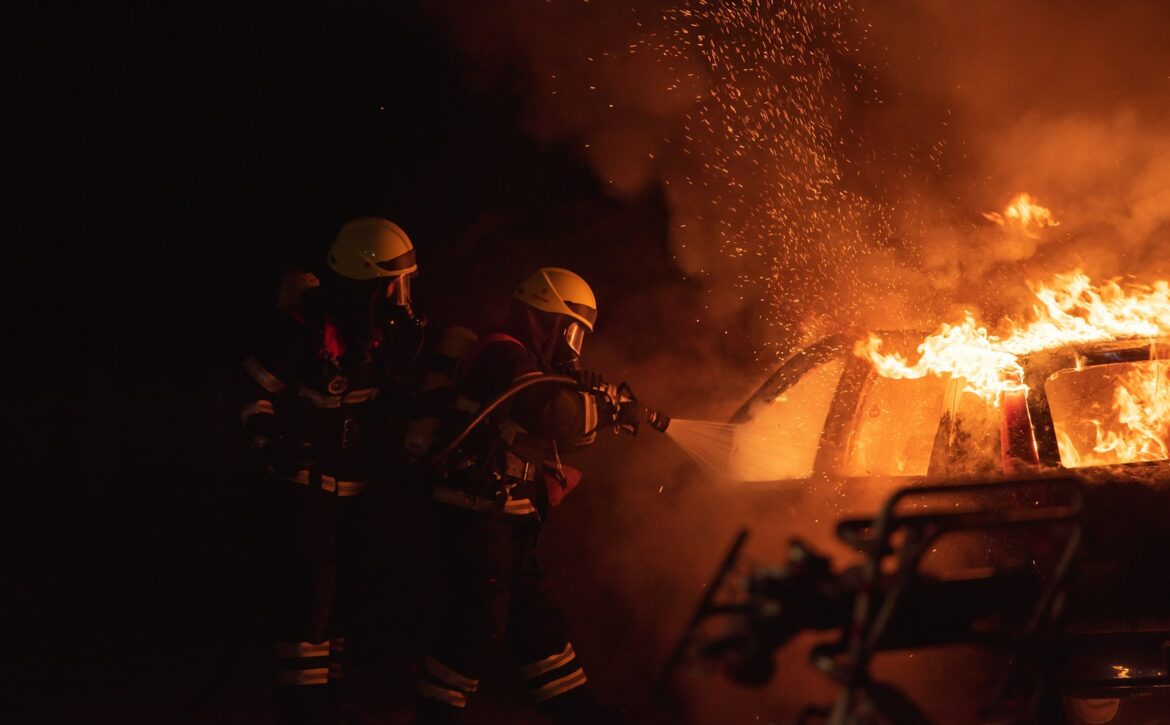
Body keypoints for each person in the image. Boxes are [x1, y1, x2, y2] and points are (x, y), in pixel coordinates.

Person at [414, 267, 633, 724]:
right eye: (573, 332)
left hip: (508, 512)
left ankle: (573, 708)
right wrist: (610, 408)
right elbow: (552, 413)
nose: (574, 346)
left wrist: (600, 403)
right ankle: (435, 712)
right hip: (475, 511)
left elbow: (567, 428)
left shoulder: (528, 362)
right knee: (480, 619)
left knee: (535, 614)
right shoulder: (504, 355)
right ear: (550, 320)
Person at [234, 217, 425, 724]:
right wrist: (267, 437)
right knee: (309, 605)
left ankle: (330, 700)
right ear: (366, 284)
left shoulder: (380, 336)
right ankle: (300, 707)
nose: (401, 298)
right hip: (309, 491)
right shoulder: (304, 331)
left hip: (357, 494)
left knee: (348, 600)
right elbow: (253, 392)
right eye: (393, 285)